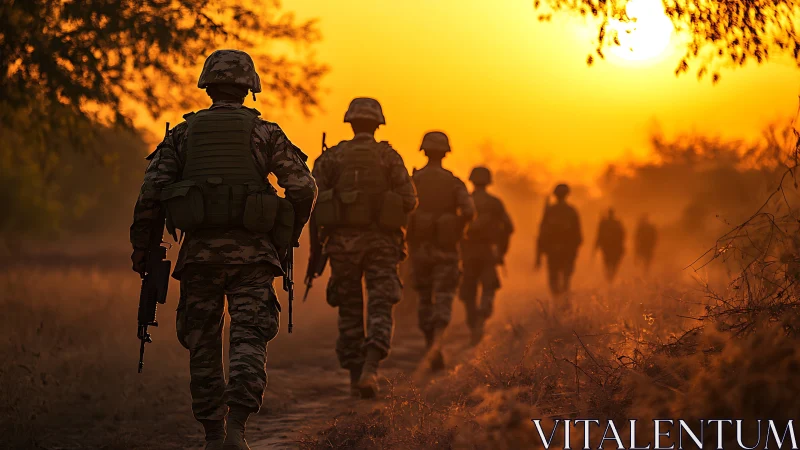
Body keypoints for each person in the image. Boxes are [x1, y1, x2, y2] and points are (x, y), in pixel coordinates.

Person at [129, 49, 317, 450]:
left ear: (208, 85)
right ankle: (237, 429)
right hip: (254, 258)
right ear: (249, 88)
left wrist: (143, 249)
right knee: (248, 338)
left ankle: (213, 434)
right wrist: (288, 235)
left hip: (199, 258)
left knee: (202, 340)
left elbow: (150, 195)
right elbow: (303, 187)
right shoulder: (265, 133)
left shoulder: (182, 135)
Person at [309, 98, 417, 398]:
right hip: (382, 243)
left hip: (342, 246)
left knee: (349, 308)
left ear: (350, 122)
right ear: (378, 123)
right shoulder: (389, 157)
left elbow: (312, 199)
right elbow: (409, 200)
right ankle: (371, 368)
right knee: (380, 304)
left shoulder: (332, 158)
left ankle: (355, 375)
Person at [408, 132, 475, 370]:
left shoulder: (413, 180)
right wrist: (455, 228)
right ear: (446, 152)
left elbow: (402, 209)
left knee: (424, 298)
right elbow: (468, 211)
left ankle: (430, 345)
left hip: (420, 250)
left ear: (423, 151)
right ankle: (437, 344)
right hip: (446, 251)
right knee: (444, 297)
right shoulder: (454, 183)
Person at [459, 166, 513, 345]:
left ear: (472, 180)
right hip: (488, 252)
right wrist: (501, 250)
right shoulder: (495, 203)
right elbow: (509, 227)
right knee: (489, 286)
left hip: (467, 252)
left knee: (469, 290)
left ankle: (474, 324)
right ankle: (483, 312)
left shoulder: (465, 200)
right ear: (488, 181)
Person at [535, 184, 582, 296]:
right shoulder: (571, 211)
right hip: (566, 251)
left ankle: (558, 302)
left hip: (553, 251)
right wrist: (573, 251)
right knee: (566, 279)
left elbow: (542, 234)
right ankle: (563, 302)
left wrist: (539, 255)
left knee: (554, 279)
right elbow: (578, 236)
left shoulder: (550, 211)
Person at [594, 208, 625, 282]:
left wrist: (597, 244)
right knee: (611, 261)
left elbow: (599, 235)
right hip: (611, 246)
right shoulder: (616, 223)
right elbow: (622, 235)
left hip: (608, 246)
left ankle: (610, 275)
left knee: (608, 261)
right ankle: (610, 275)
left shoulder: (605, 223)